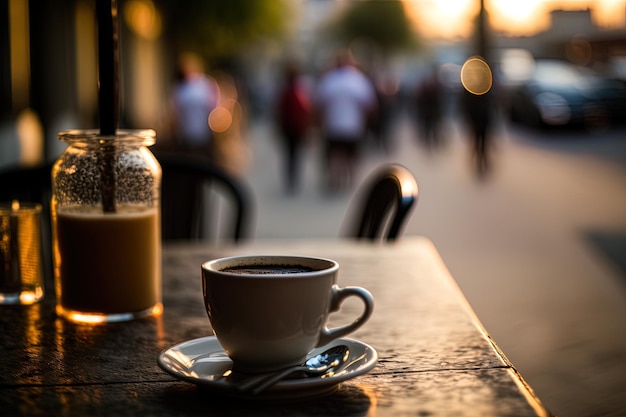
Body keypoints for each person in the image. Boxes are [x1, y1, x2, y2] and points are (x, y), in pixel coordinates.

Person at [313, 50, 377, 191]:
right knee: (351, 154)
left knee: (334, 154)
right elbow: (369, 104)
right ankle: (349, 178)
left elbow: (319, 104)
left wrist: (318, 123)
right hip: (353, 126)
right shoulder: (359, 80)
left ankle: (335, 178)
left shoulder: (328, 79)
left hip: (332, 125)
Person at [169, 53, 220, 157]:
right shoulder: (180, 88)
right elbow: (175, 111)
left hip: (204, 133)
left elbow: (215, 106)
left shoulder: (205, 84)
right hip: (185, 134)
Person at [275, 62, 312, 194]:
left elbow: (279, 112)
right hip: (295, 128)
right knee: (294, 154)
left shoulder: (286, 91)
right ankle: (293, 179)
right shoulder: (299, 92)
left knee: (290, 154)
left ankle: (291, 179)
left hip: (289, 128)